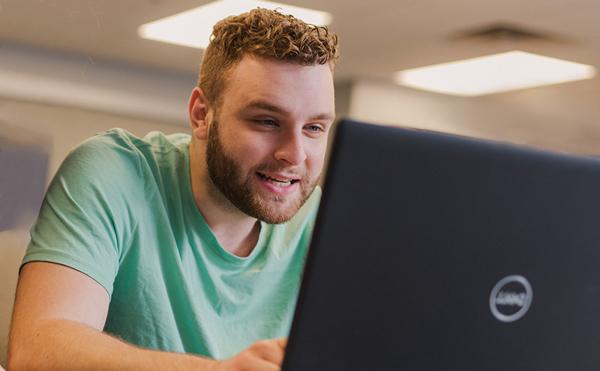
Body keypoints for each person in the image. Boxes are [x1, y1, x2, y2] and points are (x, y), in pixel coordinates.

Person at [7, 8, 338, 371]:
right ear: (201, 114)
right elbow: (37, 349)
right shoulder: (114, 173)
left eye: (314, 128)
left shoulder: (326, 221)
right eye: (266, 121)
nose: (294, 154)